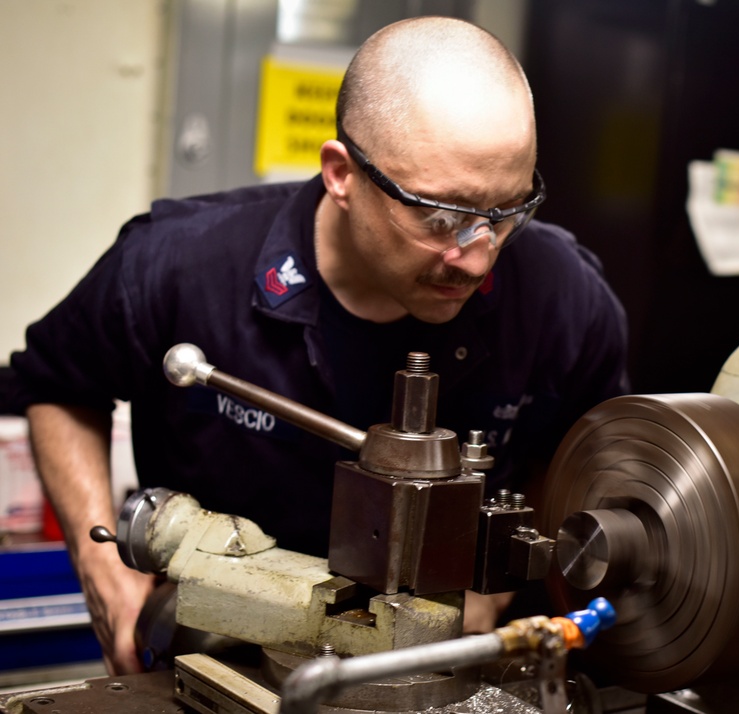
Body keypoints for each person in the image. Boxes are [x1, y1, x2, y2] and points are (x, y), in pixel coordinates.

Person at [9, 16, 628, 676]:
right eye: (440, 217)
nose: (478, 259)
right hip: (212, 658)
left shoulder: (565, 297)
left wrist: (494, 582)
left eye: (508, 211)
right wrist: (101, 566)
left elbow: (585, 449)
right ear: (341, 173)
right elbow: (58, 386)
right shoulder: (176, 267)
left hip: (438, 669)